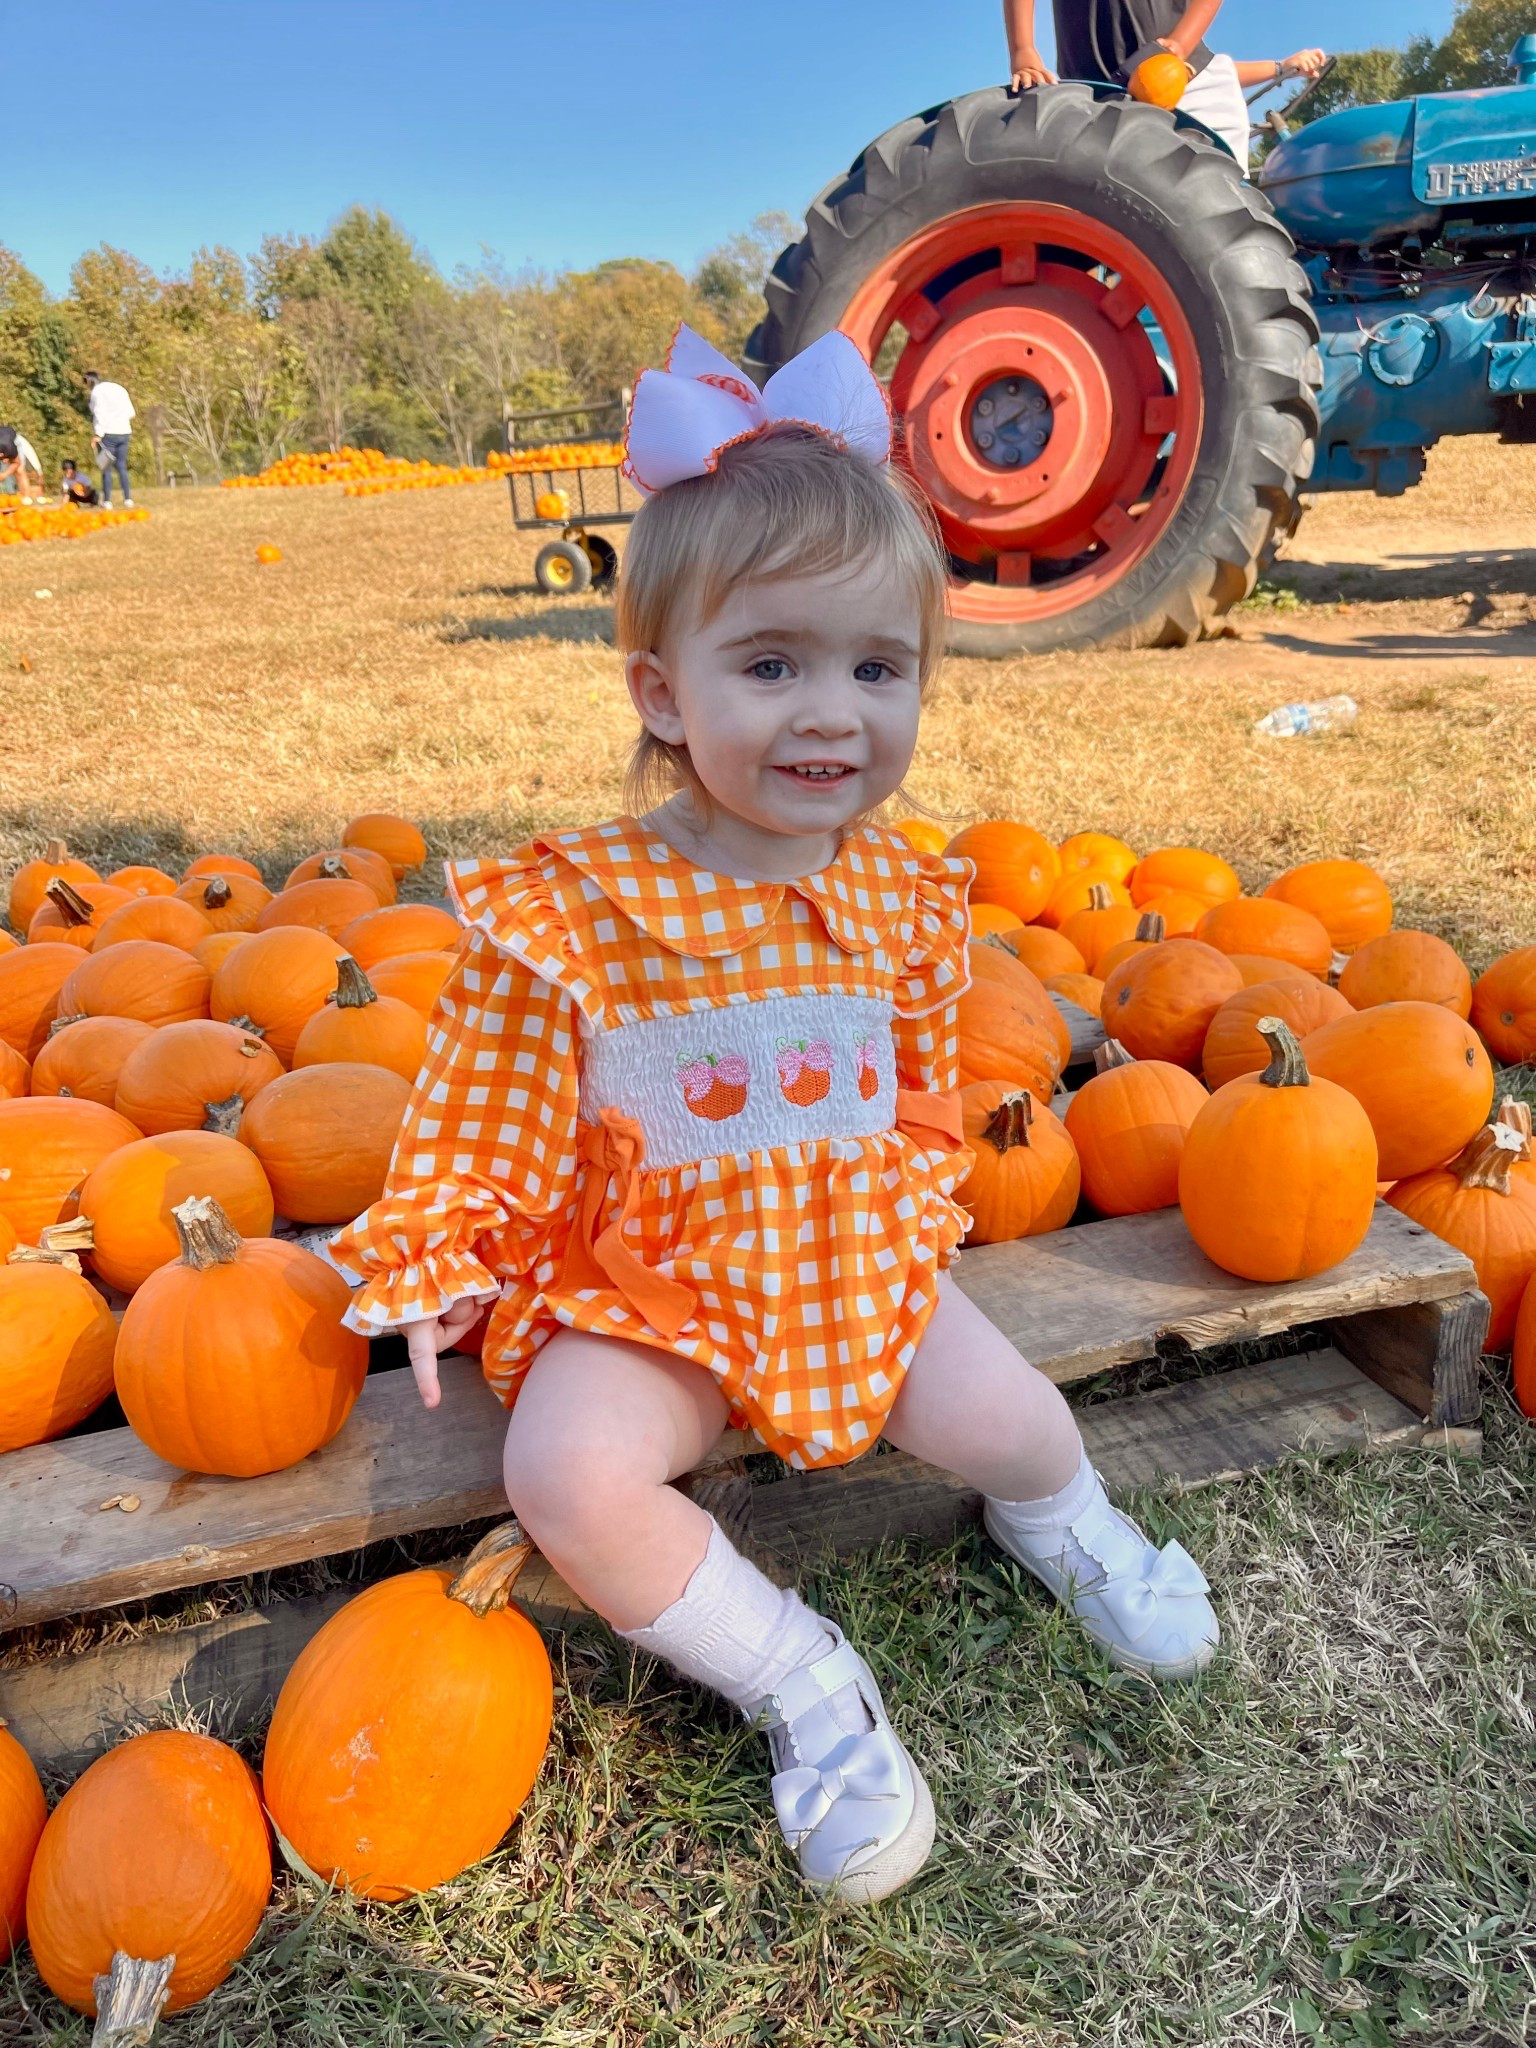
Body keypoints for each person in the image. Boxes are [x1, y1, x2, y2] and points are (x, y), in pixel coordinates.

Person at [326, 326, 1220, 1903]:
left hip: (849, 1263)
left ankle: (1063, 1524)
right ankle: (804, 1681)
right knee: (567, 1472)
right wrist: (444, 1250)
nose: (830, 716)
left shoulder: (903, 894)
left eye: (878, 670)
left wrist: (909, 1213)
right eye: (771, 666)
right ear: (662, 693)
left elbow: (925, 1081)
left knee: (1021, 1421)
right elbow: (487, 1101)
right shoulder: (580, 909)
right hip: (657, 1287)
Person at [1003, 1, 1326, 166]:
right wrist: (1023, 49)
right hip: (1094, 94)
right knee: (1087, 223)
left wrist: (1180, 44)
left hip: (1191, 91)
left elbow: (1214, 68)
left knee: (1208, 218)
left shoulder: (1202, 73)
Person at [86, 370, 136, 507]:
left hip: (108, 433)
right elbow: (131, 412)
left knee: (106, 467)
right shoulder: (118, 388)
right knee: (121, 466)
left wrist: (98, 434)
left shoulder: (97, 392)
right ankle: (128, 499)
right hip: (124, 431)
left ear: (89, 381)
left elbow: (99, 413)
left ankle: (107, 501)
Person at [0, 426, 44, 504]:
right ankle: (11, 494)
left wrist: (4, 475)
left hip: (14, 441)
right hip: (4, 440)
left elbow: (17, 462)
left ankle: (26, 497)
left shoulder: (9, 447)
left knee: (19, 470)